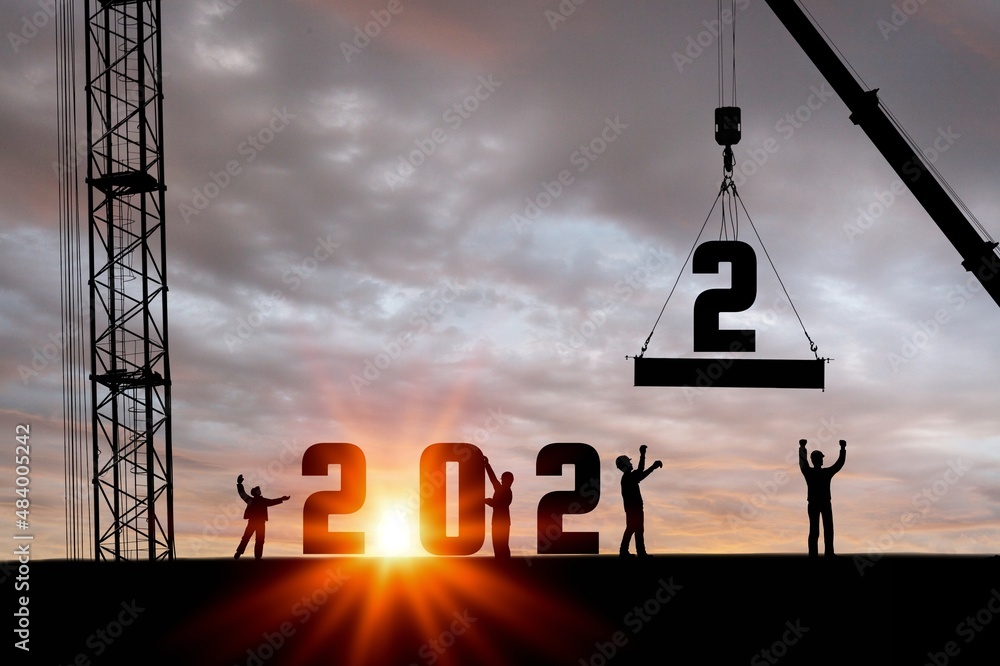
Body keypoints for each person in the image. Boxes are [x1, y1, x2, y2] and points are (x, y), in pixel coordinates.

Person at [798, 439, 846, 557]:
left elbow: (803, 462)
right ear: (817, 460)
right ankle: (821, 554)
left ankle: (822, 553)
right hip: (819, 503)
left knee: (822, 529)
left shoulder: (812, 472)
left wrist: (802, 447)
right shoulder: (819, 472)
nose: (822, 460)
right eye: (821, 458)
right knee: (820, 529)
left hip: (820, 503)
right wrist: (843, 448)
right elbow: (839, 464)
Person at [616, 445, 663, 558]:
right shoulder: (628, 478)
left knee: (635, 528)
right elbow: (641, 472)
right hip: (634, 508)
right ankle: (634, 552)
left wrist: (652, 466)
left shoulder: (628, 477)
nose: (631, 463)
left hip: (633, 508)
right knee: (634, 528)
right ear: (625, 465)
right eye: (629, 462)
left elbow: (640, 474)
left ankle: (632, 551)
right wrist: (643, 454)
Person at [234, 474, 290, 560]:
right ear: (256, 492)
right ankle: (248, 555)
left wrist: (281, 499)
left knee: (253, 539)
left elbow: (242, 494)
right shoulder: (256, 501)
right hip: (256, 522)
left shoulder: (254, 500)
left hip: (256, 522)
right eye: (258, 490)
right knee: (251, 538)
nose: (260, 491)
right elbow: (243, 494)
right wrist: (239, 484)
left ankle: (246, 554)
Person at [483, 455, 513, 559]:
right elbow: (493, 479)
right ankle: (504, 565)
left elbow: (496, 504)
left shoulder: (505, 492)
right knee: (501, 546)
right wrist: (487, 465)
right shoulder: (505, 491)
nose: (501, 481)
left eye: (504, 479)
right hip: (501, 522)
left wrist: (485, 500)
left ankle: (504, 565)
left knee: (500, 546)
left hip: (500, 522)